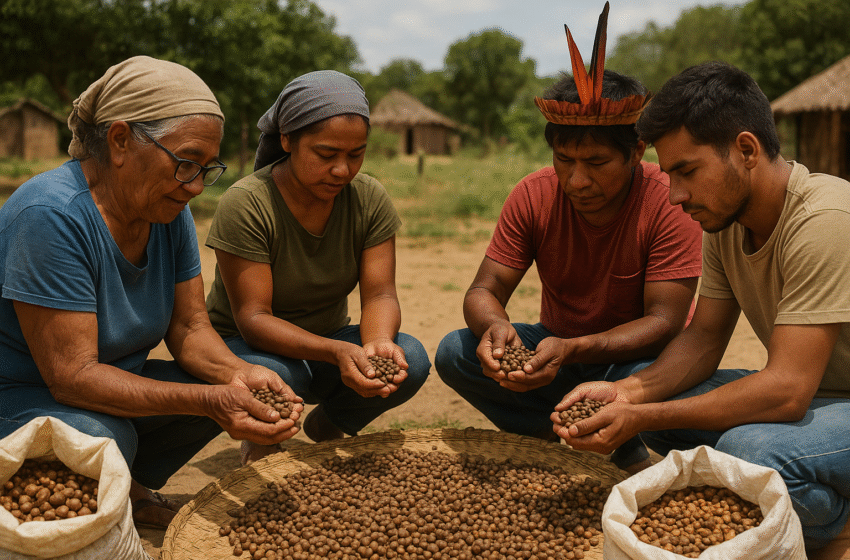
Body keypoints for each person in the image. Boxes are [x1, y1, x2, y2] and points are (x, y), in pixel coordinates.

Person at [555, 60, 850, 558]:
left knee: (748, 452)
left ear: (746, 150)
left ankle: (837, 524)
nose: (675, 195)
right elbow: (703, 339)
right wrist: (625, 394)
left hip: (818, 395)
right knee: (644, 375)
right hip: (818, 396)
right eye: (669, 174)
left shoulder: (825, 219)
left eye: (687, 171)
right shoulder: (726, 221)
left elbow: (787, 392)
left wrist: (641, 416)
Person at [0, 56, 304, 530]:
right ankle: (115, 490)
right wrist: (211, 402)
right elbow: (72, 378)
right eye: (186, 163)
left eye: (208, 168)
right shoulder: (49, 215)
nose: (197, 186)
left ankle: (122, 488)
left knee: (259, 375)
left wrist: (241, 376)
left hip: (110, 392)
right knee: (104, 436)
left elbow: (189, 327)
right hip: (24, 399)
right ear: (121, 140)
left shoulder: (168, 208)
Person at [434, 3, 702, 474]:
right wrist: (494, 328)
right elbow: (485, 290)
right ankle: (550, 437)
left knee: (658, 379)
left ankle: (623, 442)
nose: (577, 180)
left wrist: (575, 348)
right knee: (457, 352)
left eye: (596, 163)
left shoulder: (668, 200)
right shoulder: (534, 194)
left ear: (637, 151)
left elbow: (664, 321)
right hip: (557, 351)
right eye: (564, 160)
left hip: (634, 361)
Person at [205, 70, 430, 465]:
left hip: (328, 341)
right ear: (288, 140)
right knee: (275, 375)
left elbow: (380, 293)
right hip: (250, 346)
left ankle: (329, 423)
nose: (342, 170)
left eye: (355, 155)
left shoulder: (368, 198)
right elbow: (254, 318)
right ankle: (263, 441)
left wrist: (377, 343)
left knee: (407, 357)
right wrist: (336, 352)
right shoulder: (247, 203)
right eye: (326, 155)